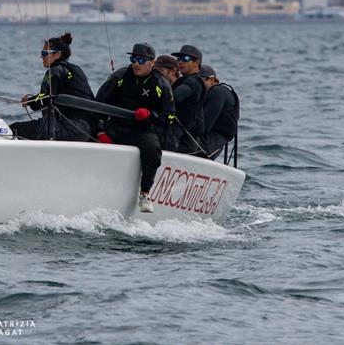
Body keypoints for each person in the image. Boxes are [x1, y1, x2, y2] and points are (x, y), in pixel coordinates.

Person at [95, 42, 175, 213]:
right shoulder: (121, 76)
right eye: (133, 59)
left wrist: (150, 115)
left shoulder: (160, 84)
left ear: (152, 63)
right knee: (86, 137)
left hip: (140, 131)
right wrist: (100, 131)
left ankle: (145, 194)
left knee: (152, 148)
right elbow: (98, 104)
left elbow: (169, 116)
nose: (136, 63)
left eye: (141, 60)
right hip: (114, 127)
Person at [11, 33, 94, 141]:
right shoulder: (76, 70)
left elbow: (45, 98)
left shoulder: (55, 70)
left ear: (58, 54)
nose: (41, 56)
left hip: (67, 128)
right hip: (86, 130)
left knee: (14, 129)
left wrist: (29, 101)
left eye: (45, 53)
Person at [198, 65, 240, 160]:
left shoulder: (218, 92)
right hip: (206, 140)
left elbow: (205, 127)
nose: (198, 84)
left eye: (201, 80)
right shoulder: (205, 94)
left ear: (212, 80)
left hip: (213, 142)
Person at [171, 44, 207, 155]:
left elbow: (176, 97)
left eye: (186, 59)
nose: (180, 62)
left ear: (197, 62)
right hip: (180, 136)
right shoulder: (183, 80)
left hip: (186, 139)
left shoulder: (193, 81)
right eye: (179, 59)